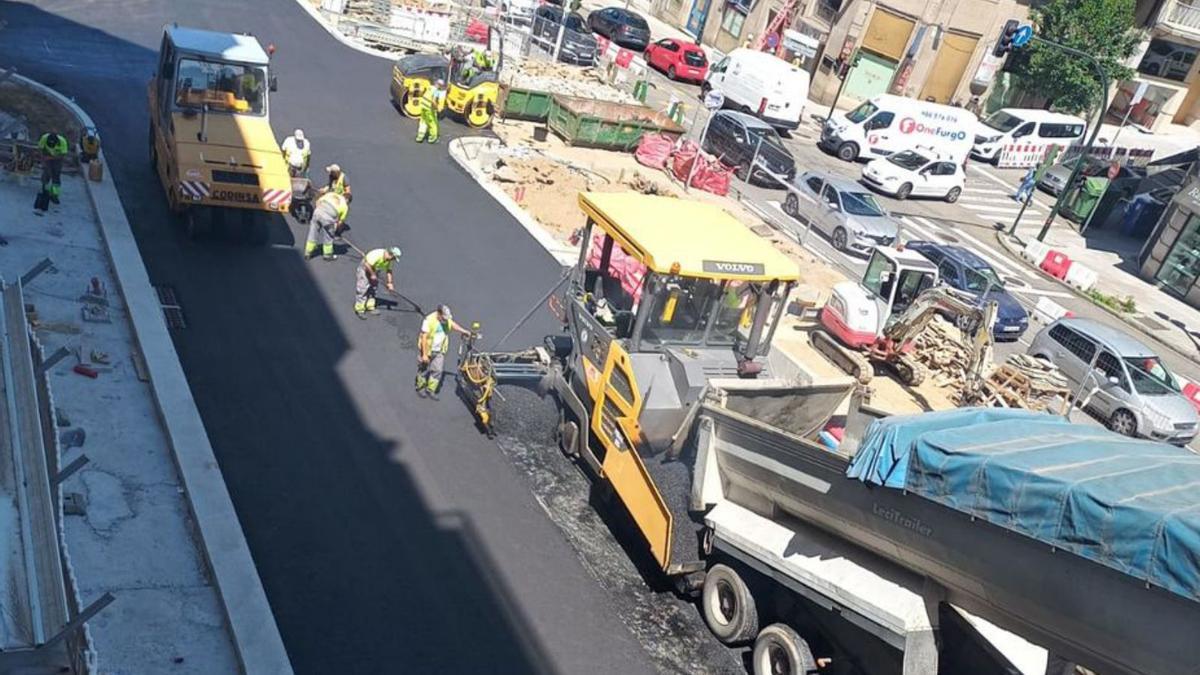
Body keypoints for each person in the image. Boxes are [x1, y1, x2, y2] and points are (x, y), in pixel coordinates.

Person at [415, 304, 473, 398]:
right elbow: (424, 338)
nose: (446, 320)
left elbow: (452, 324)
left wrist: (463, 331)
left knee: (438, 370)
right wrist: (424, 354)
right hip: (427, 350)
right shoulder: (429, 320)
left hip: (439, 351)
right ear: (439, 313)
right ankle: (420, 387)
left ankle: (431, 389)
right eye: (444, 318)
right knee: (424, 369)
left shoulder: (446, 320)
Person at [355, 247, 401, 319]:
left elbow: (389, 271)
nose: (393, 260)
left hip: (374, 270)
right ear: (391, 254)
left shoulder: (389, 260)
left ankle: (370, 306)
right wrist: (372, 274)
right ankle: (360, 309)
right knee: (362, 289)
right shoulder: (377, 255)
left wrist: (390, 283)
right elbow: (367, 265)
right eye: (394, 258)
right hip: (365, 269)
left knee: (373, 288)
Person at [306, 190, 349, 261]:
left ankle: (308, 253)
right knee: (328, 236)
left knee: (313, 233)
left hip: (317, 212)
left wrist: (319, 210)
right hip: (328, 218)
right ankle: (327, 255)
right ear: (347, 201)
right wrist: (337, 232)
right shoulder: (345, 206)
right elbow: (340, 222)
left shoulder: (331, 194)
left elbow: (318, 201)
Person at [37, 131, 70, 204]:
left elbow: (63, 155)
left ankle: (54, 195)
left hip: (58, 158)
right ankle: (45, 190)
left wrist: (50, 158)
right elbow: (40, 149)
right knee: (47, 173)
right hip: (46, 154)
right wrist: (43, 160)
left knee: (56, 174)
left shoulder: (62, 142)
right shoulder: (44, 138)